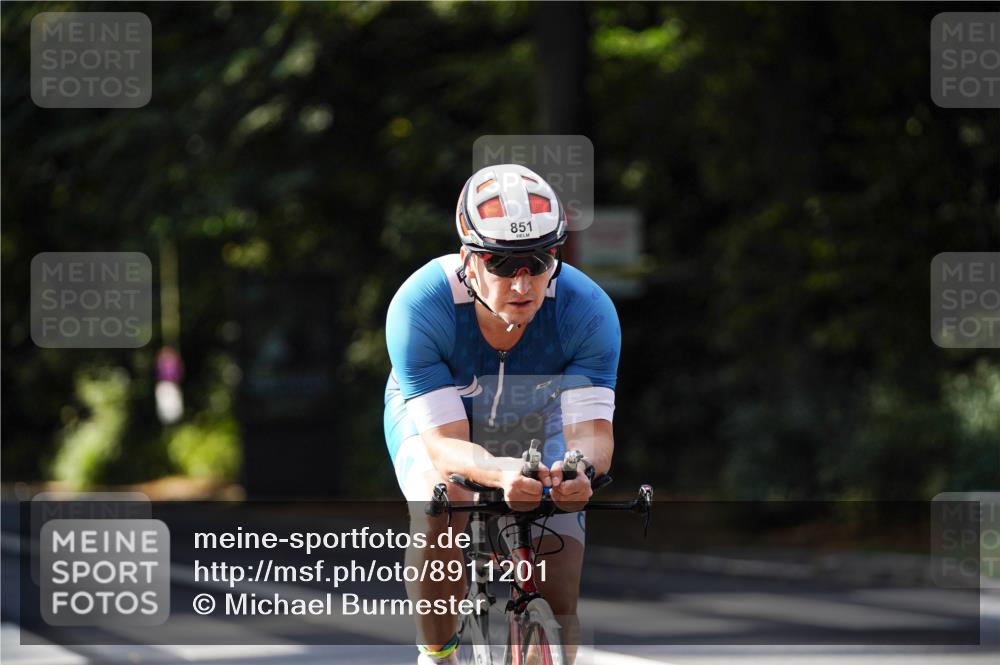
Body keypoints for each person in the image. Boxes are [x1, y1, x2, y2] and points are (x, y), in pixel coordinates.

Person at [384, 164, 620, 664]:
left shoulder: (587, 310)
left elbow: (593, 433)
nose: (522, 281)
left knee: (561, 598)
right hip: (442, 418)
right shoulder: (420, 305)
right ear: (469, 260)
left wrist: (583, 470)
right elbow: (445, 444)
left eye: (537, 261)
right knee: (442, 500)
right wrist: (498, 470)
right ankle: (438, 652)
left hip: (541, 414)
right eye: (502, 263)